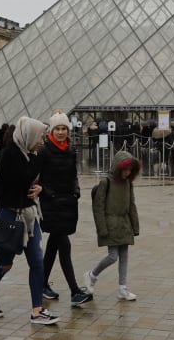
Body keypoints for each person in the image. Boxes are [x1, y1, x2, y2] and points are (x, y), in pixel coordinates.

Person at [0, 116, 59, 325]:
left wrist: (42, 189)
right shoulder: (10, 155)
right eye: (41, 136)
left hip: (30, 216)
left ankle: (37, 310)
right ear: (29, 135)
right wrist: (40, 160)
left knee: (37, 262)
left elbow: (38, 182)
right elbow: (23, 179)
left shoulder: (29, 154)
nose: (43, 141)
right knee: (4, 264)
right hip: (9, 217)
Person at [36, 112, 93, 307]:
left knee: (53, 244)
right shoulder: (44, 151)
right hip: (51, 204)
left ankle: (41, 284)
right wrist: (48, 193)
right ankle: (75, 291)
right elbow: (38, 177)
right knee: (64, 245)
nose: (61, 132)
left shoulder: (71, 150)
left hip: (68, 203)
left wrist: (76, 191)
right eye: (57, 129)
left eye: (64, 129)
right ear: (52, 130)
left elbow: (73, 175)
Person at [84, 150, 141, 302]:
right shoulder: (106, 182)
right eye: (125, 169)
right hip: (110, 224)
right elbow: (98, 207)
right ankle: (92, 275)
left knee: (124, 256)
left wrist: (135, 226)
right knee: (113, 256)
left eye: (130, 170)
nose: (127, 173)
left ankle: (123, 288)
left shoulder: (128, 183)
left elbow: (131, 205)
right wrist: (102, 228)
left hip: (124, 224)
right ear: (118, 167)